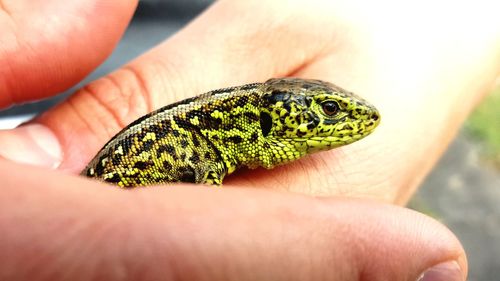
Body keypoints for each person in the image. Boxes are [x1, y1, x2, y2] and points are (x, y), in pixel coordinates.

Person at [0, 0, 498, 280]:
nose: (342, 121)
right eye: (324, 112)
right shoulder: (197, 149)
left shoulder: (213, 149)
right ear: (272, 119)